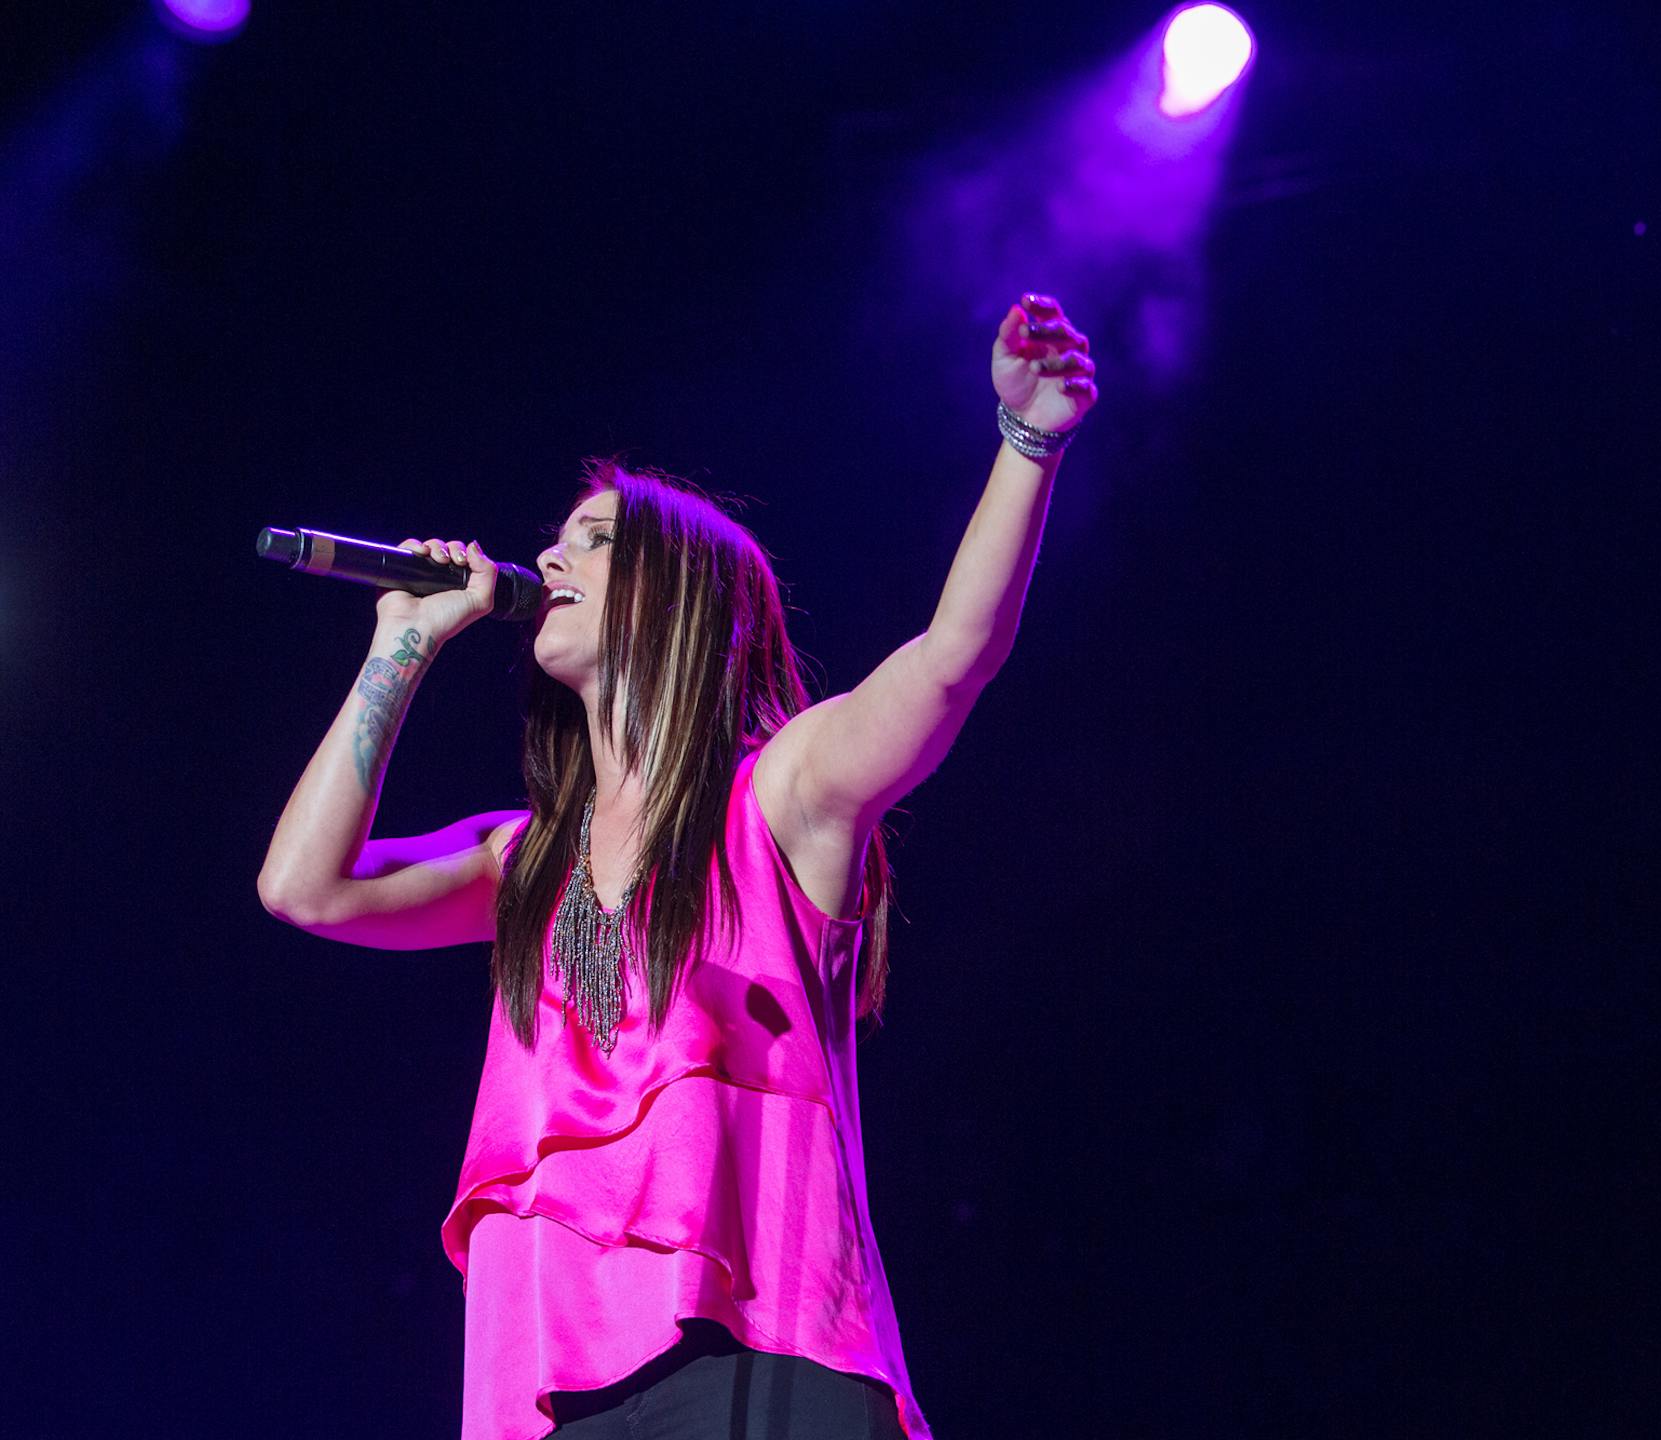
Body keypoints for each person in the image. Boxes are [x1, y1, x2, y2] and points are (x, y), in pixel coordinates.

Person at [256, 295, 1097, 1440]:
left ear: (683, 595)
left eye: (594, 540)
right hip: (551, 1386)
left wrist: (1029, 442)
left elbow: (952, 659)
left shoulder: (783, 796)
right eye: (560, 537)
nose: (549, 553)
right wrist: (400, 650)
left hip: (761, 1356)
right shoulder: (522, 858)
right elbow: (305, 887)